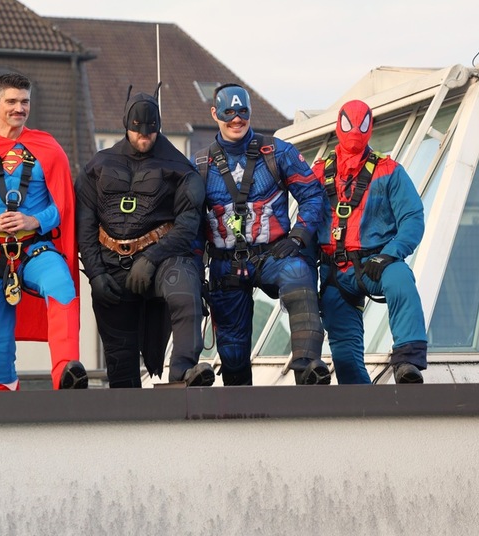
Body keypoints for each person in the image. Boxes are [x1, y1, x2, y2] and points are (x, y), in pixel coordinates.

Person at [0, 73, 87, 391]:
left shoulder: (49, 148)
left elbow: (63, 206)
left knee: (62, 287)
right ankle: (5, 410)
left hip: (35, 248)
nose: (18, 108)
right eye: (11, 101)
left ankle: (67, 374)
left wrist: (34, 221)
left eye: (24, 101)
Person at [75, 84, 214, 388]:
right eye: (138, 129)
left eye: (151, 129)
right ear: (126, 124)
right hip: (110, 265)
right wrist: (96, 274)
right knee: (120, 365)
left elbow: (188, 223)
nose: (144, 135)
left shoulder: (180, 168)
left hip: (162, 258)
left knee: (185, 289)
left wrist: (151, 258)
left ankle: (184, 372)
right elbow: (84, 222)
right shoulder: (97, 167)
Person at [197, 83, 330, 386]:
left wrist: (298, 237)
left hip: (274, 255)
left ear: (250, 112)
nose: (236, 119)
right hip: (225, 264)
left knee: (298, 276)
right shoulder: (200, 165)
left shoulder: (277, 151)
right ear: (214, 113)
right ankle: (240, 412)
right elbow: (190, 223)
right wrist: (193, 271)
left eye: (242, 111)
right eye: (228, 112)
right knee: (232, 354)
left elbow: (313, 194)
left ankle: (309, 370)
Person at [313, 99, 427, 384]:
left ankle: (408, 360)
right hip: (334, 272)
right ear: (339, 125)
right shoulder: (317, 173)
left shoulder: (389, 171)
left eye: (360, 124)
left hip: (375, 264)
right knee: (346, 358)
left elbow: (412, 218)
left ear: (369, 126)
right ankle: (362, 414)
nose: (355, 132)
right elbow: (303, 221)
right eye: (350, 124)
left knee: (400, 278)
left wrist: (390, 254)